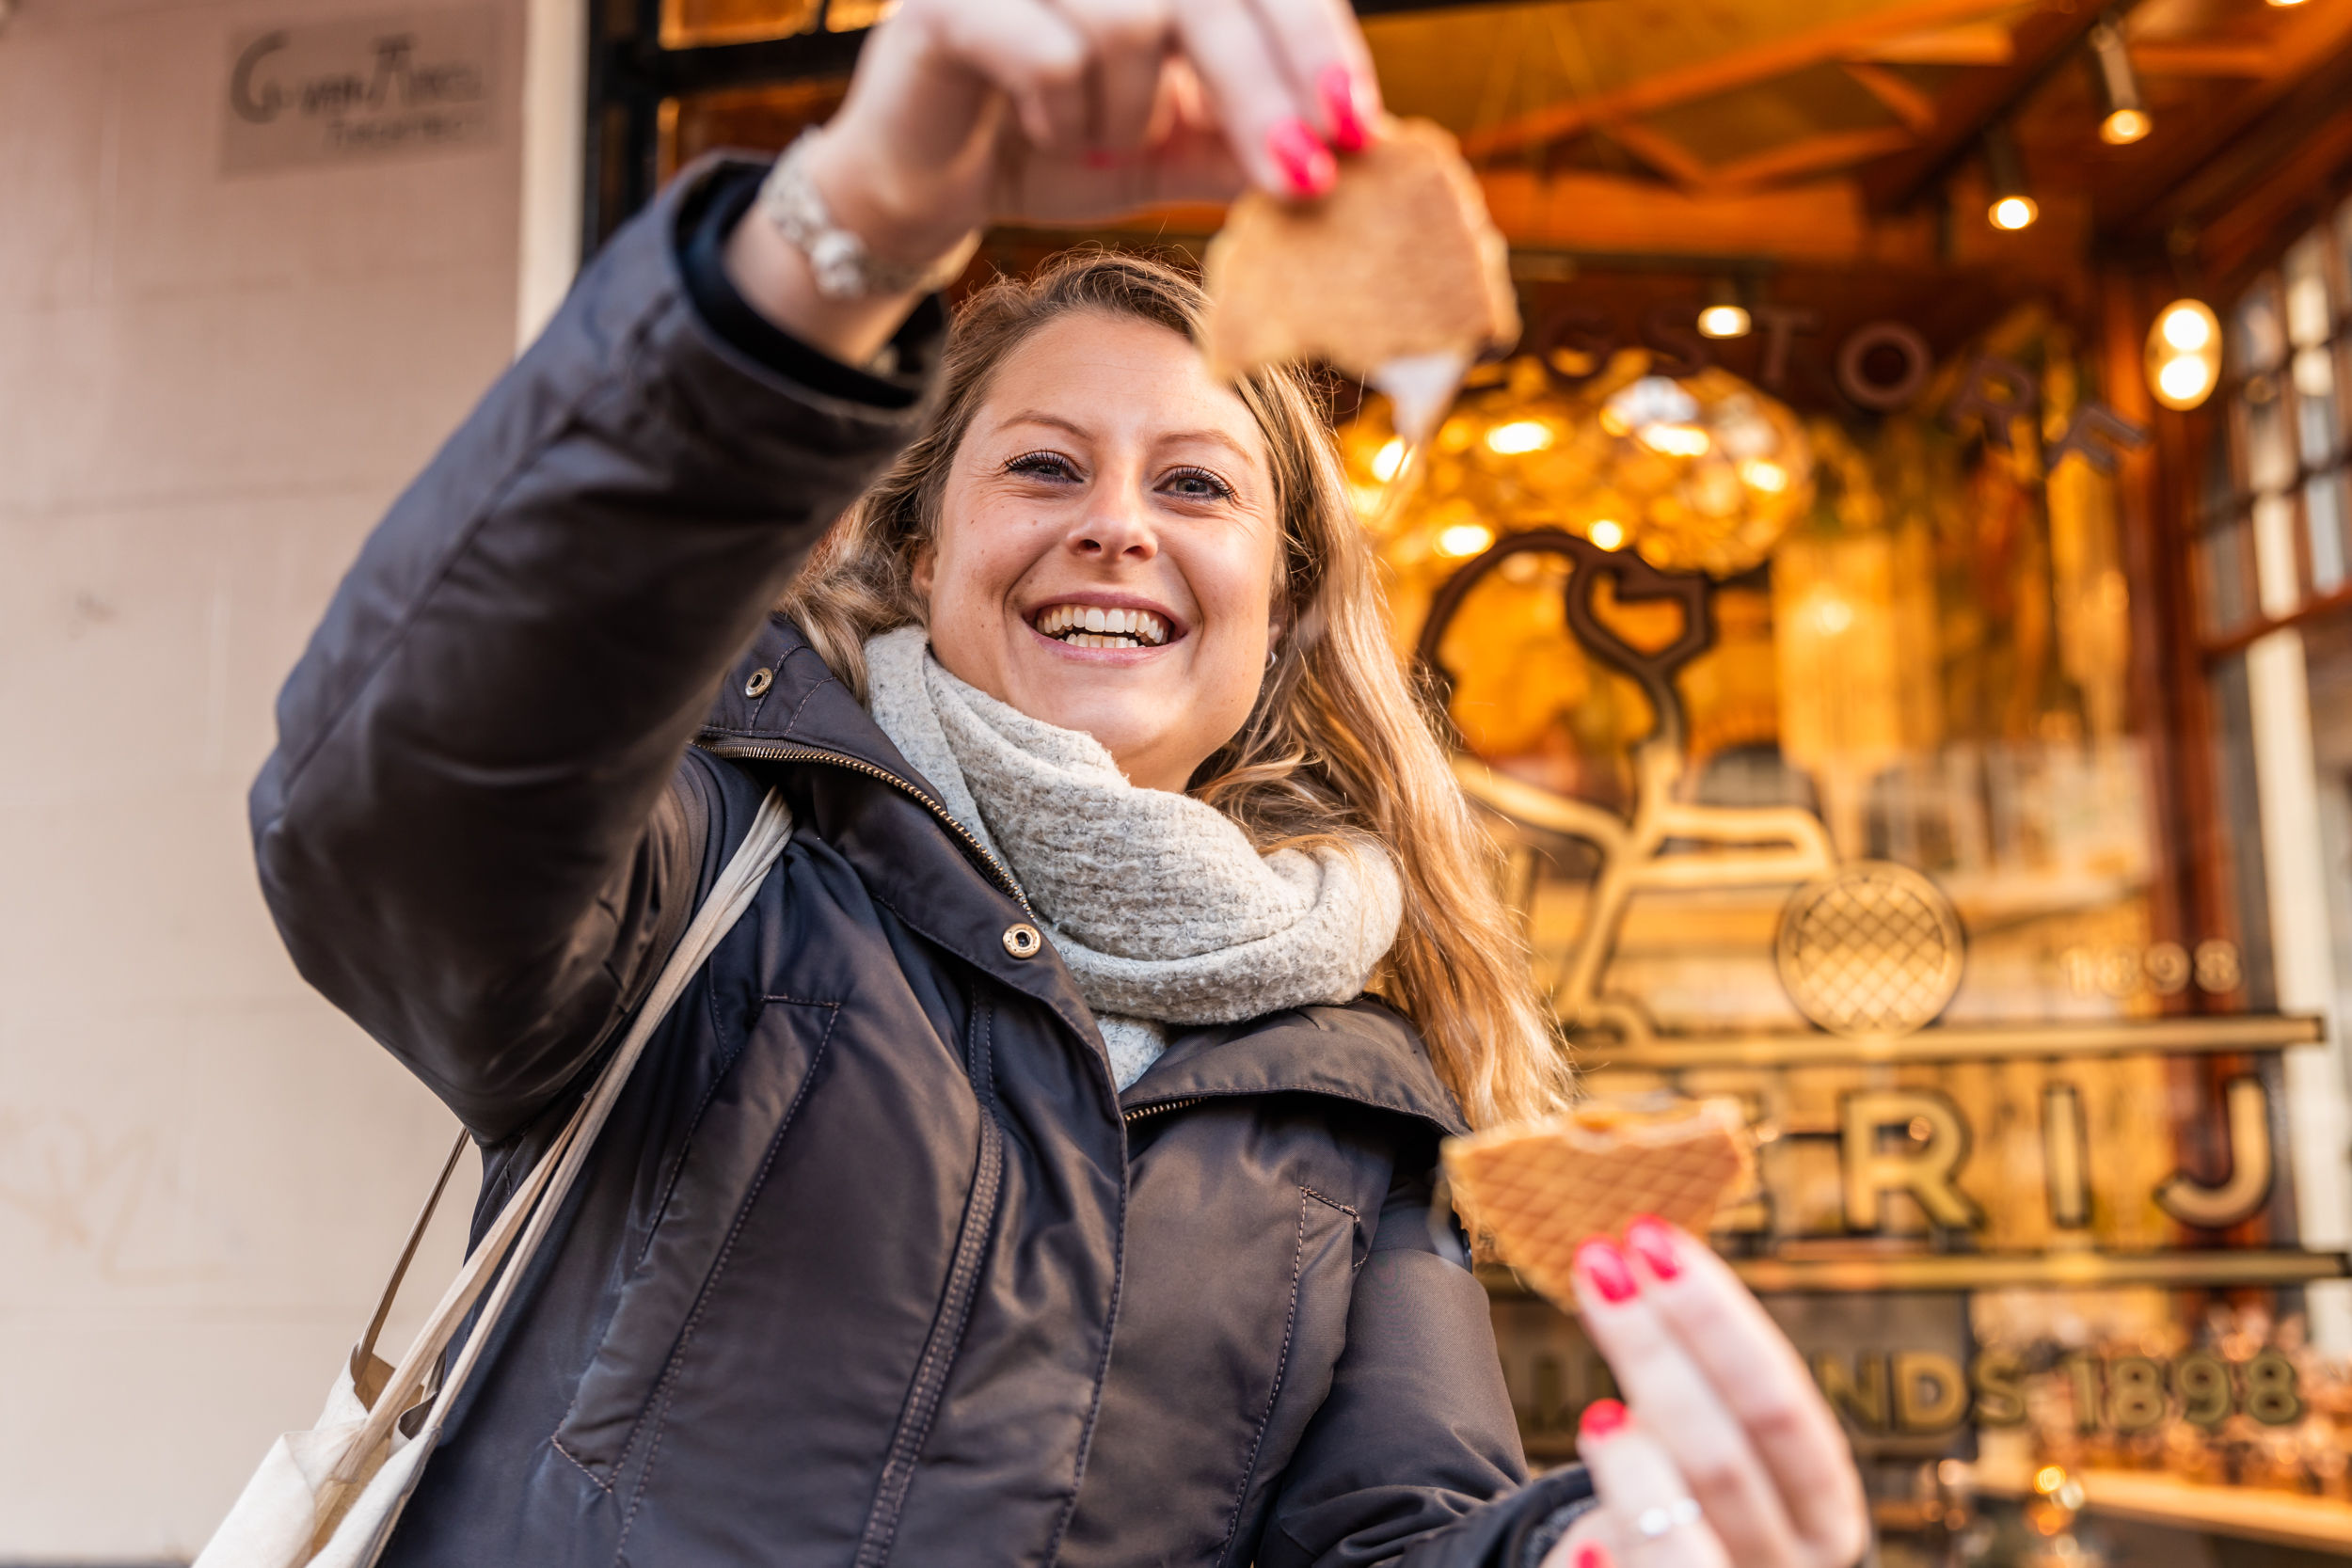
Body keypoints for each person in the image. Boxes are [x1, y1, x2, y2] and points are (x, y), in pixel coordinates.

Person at [249, 3, 1870, 1565]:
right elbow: (398, 807)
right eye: (1043, 466)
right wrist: (848, 224)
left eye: (1196, 485)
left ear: (1282, 607)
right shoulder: (711, 876)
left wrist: (1596, 1557)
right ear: (921, 551)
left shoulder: (1346, 1090)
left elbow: (1389, 1537)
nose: (1116, 525)